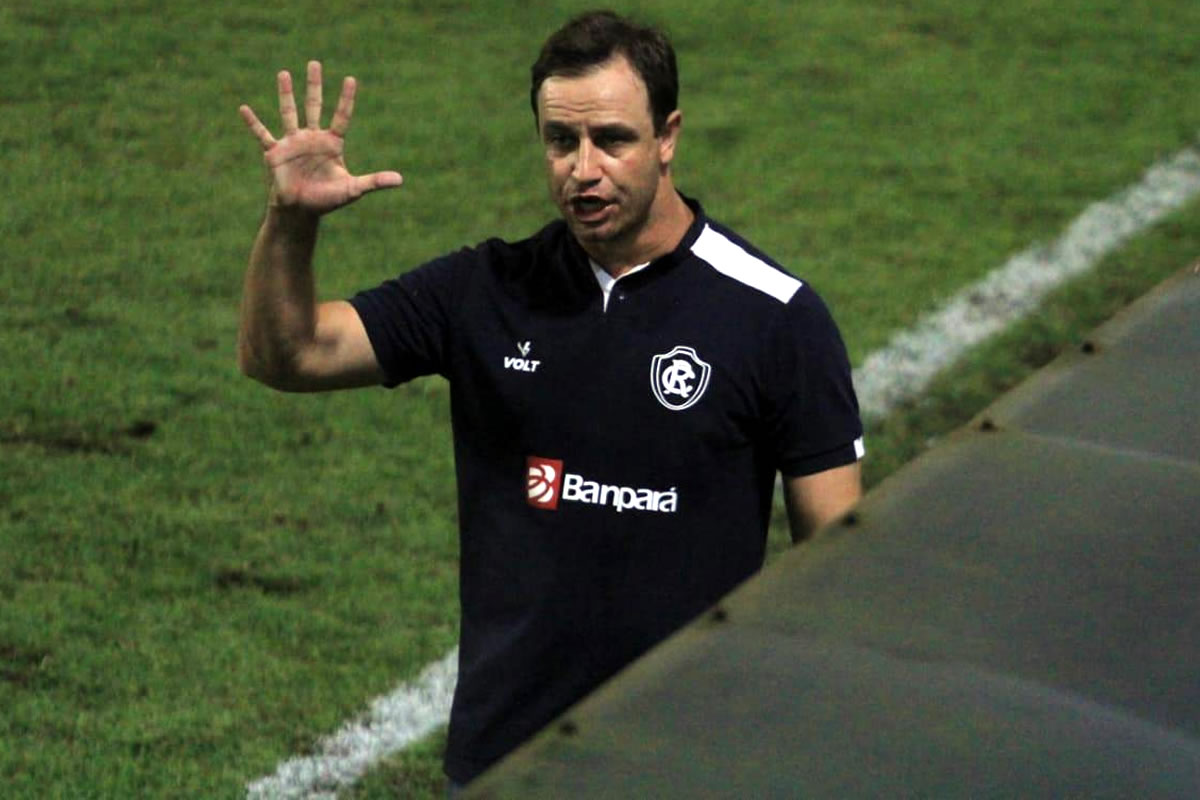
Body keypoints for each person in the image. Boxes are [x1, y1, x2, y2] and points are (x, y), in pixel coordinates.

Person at [237, 10, 864, 788]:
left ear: (667, 136)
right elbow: (288, 354)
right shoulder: (485, 290)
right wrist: (290, 222)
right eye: (561, 141)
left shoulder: (776, 319)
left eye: (612, 139)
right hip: (507, 761)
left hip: (689, 766)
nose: (583, 169)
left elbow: (841, 570)